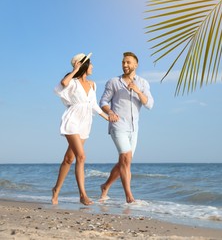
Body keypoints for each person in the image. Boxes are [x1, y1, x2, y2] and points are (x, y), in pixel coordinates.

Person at [52, 53, 109, 206]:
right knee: (81, 156)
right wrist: (74, 70)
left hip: (85, 121)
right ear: (83, 65)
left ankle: (56, 190)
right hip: (72, 119)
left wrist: (107, 117)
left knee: (69, 159)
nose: (92, 67)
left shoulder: (93, 84)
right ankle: (83, 195)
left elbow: (93, 104)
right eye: (90, 64)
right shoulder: (73, 82)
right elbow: (63, 83)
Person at [99, 51, 154, 203]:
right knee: (126, 158)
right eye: (123, 62)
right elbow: (103, 102)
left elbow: (149, 104)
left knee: (125, 161)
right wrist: (109, 112)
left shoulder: (143, 83)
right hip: (118, 125)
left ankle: (105, 186)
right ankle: (129, 197)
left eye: (128, 62)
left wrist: (137, 90)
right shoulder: (113, 82)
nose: (125, 65)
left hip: (134, 128)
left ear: (136, 65)